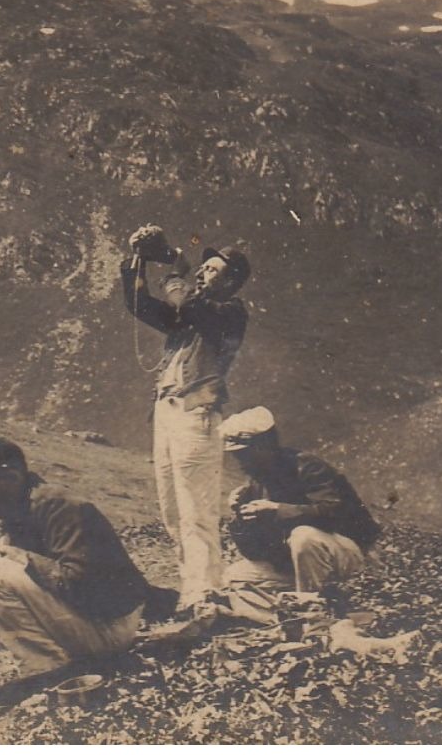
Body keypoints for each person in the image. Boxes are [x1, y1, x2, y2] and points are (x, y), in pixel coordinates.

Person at [0, 438, 152, 680]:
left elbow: (82, 584)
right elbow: (8, 593)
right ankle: (48, 665)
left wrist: (27, 560)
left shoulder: (59, 507)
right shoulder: (26, 507)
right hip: (96, 624)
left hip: (110, 629)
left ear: (12, 478)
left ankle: (46, 670)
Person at [121, 225, 251, 611]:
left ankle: (206, 591)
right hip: (167, 409)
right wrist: (139, 262)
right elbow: (140, 305)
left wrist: (175, 265)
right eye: (203, 268)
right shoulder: (191, 313)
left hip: (196, 413)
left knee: (197, 507)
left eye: (211, 270)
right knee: (173, 508)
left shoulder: (229, 312)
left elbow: (184, 302)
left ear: (231, 281)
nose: (202, 275)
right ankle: (192, 587)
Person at [220, 407, 381, 594]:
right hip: (301, 566)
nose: (241, 463)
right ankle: (299, 606)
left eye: (244, 455)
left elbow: (333, 513)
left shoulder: (308, 467)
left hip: (348, 557)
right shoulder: (257, 482)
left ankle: (311, 612)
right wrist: (239, 515)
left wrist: (277, 510)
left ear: (264, 446)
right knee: (234, 577)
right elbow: (256, 554)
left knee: (304, 537)